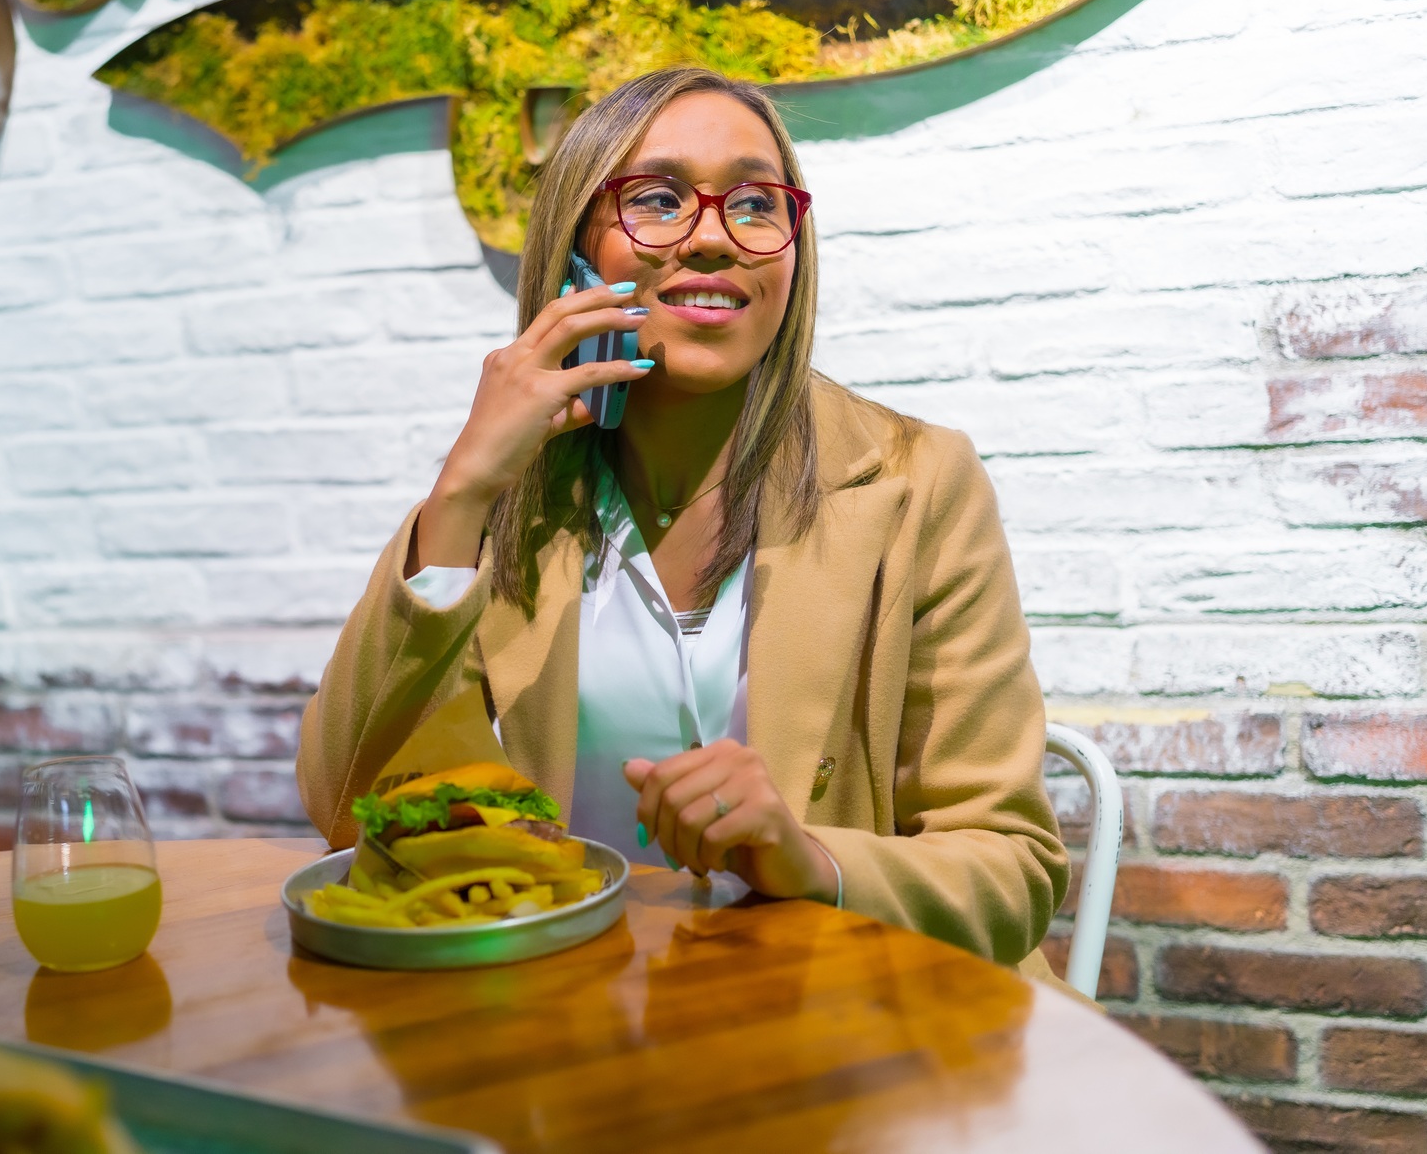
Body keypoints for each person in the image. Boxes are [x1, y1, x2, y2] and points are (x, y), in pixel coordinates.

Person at [296, 65, 1070, 977]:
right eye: (657, 199)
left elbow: (1014, 871)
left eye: (753, 202)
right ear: (575, 252)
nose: (711, 238)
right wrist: (461, 489)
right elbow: (348, 800)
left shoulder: (918, 481)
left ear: (792, 250)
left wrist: (811, 859)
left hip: (853, 1029)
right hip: (587, 1016)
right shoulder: (513, 501)